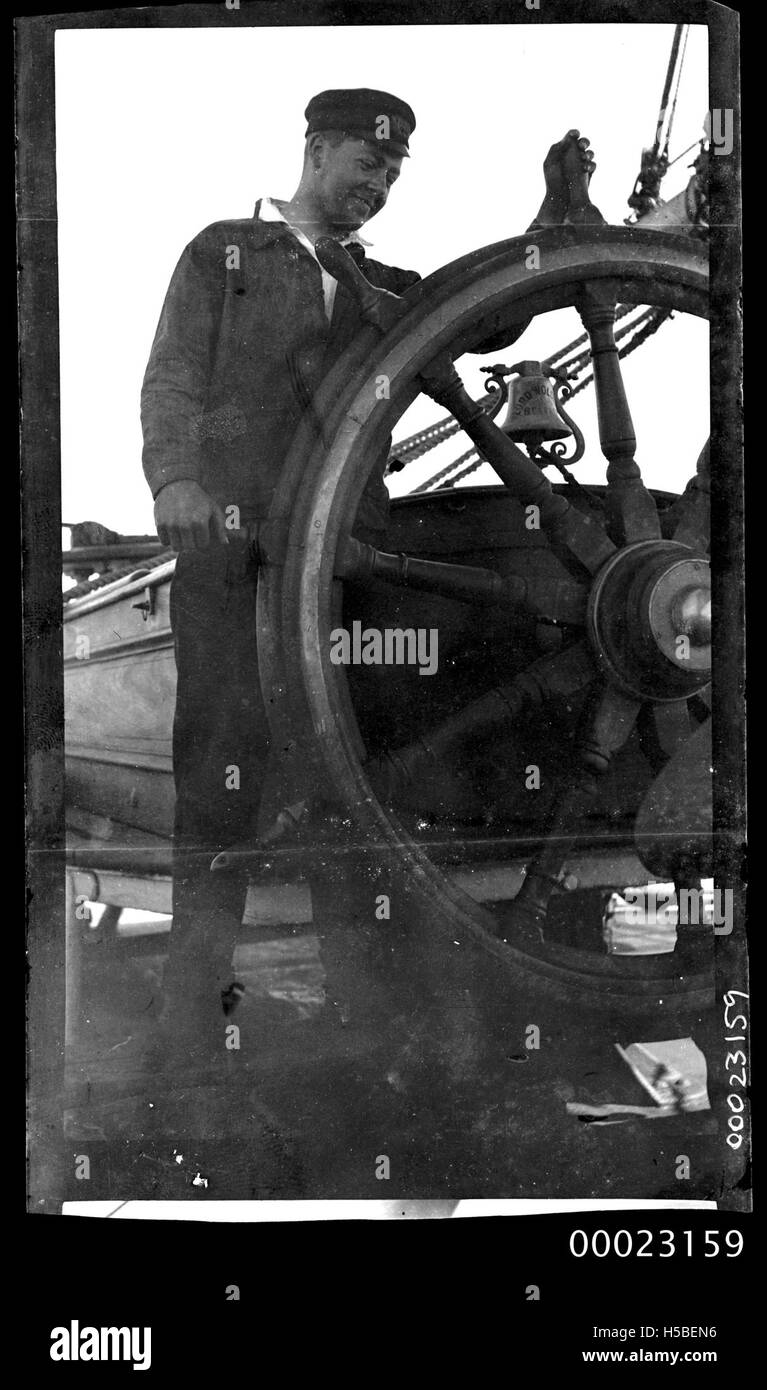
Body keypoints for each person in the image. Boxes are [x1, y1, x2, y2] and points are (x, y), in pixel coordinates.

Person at [141, 89, 596, 1069]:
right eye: (366, 163)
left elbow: (491, 319)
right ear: (315, 150)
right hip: (227, 559)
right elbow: (173, 373)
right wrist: (174, 476)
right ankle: (189, 1025)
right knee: (217, 787)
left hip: (344, 573)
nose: (380, 184)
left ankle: (357, 1014)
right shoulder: (223, 251)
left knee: (348, 784)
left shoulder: (390, 288)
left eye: (393, 173)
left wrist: (553, 224)